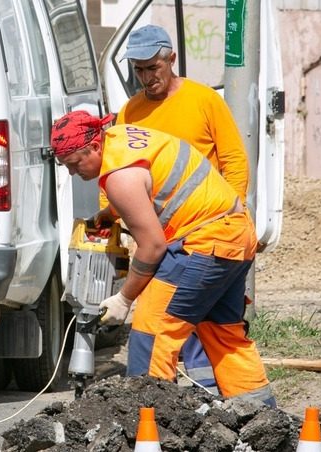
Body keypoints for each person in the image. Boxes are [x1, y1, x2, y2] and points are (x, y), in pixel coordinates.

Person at [50, 110, 274, 404]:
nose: (72, 172)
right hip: (235, 234)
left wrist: (124, 299)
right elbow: (156, 182)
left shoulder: (119, 177)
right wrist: (111, 213)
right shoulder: (120, 138)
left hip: (205, 243)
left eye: (74, 164)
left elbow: (152, 247)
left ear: (93, 147)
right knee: (223, 334)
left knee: (151, 329)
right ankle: (260, 415)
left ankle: (147, 425)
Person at [114, 24, 260, 398]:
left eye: (153, 68)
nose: (147, 78)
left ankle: (159, 410)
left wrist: (235, 212)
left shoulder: (203, 100)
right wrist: (117, 222)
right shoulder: (131, 111)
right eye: (139, 70)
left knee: (157, 321)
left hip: (204, 233)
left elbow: (233, 159)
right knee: (216, 325)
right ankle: (241, 405)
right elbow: (118, 170)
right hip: (163, 236)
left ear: (171, 59)